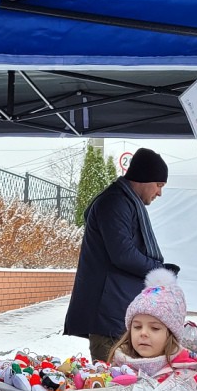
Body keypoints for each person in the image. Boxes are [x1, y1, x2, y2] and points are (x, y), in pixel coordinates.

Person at [64, 147, 174, 362]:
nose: (159, 192)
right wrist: (158, 270)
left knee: (120, 384)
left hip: (116, 310)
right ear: (144, 178)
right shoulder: (115, 203)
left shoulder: (125, 202)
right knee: (109, 386)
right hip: (108, 315)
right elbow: (123, 254)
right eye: (159, 185)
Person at [109, 267, 197, 382]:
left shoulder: (185, 376)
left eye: (154, 328)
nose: (143, 333)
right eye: (137, 327)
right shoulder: (117, 368)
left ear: (171, 334)